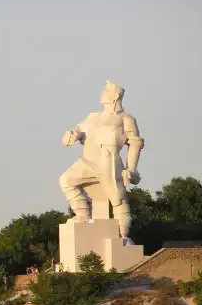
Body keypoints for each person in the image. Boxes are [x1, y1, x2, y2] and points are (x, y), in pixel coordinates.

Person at [59, 81, 144, 244]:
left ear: (115, 96)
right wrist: (71, 135)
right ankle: (82, 216)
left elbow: (135, 143)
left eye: (106, 91)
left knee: (117, 197)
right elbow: (78, 131)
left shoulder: (125, 118)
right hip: (87, 161)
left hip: (108, 160)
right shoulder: (92, 117)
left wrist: (131, 168)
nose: (102, 94)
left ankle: (123, 235)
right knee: (66, 180)